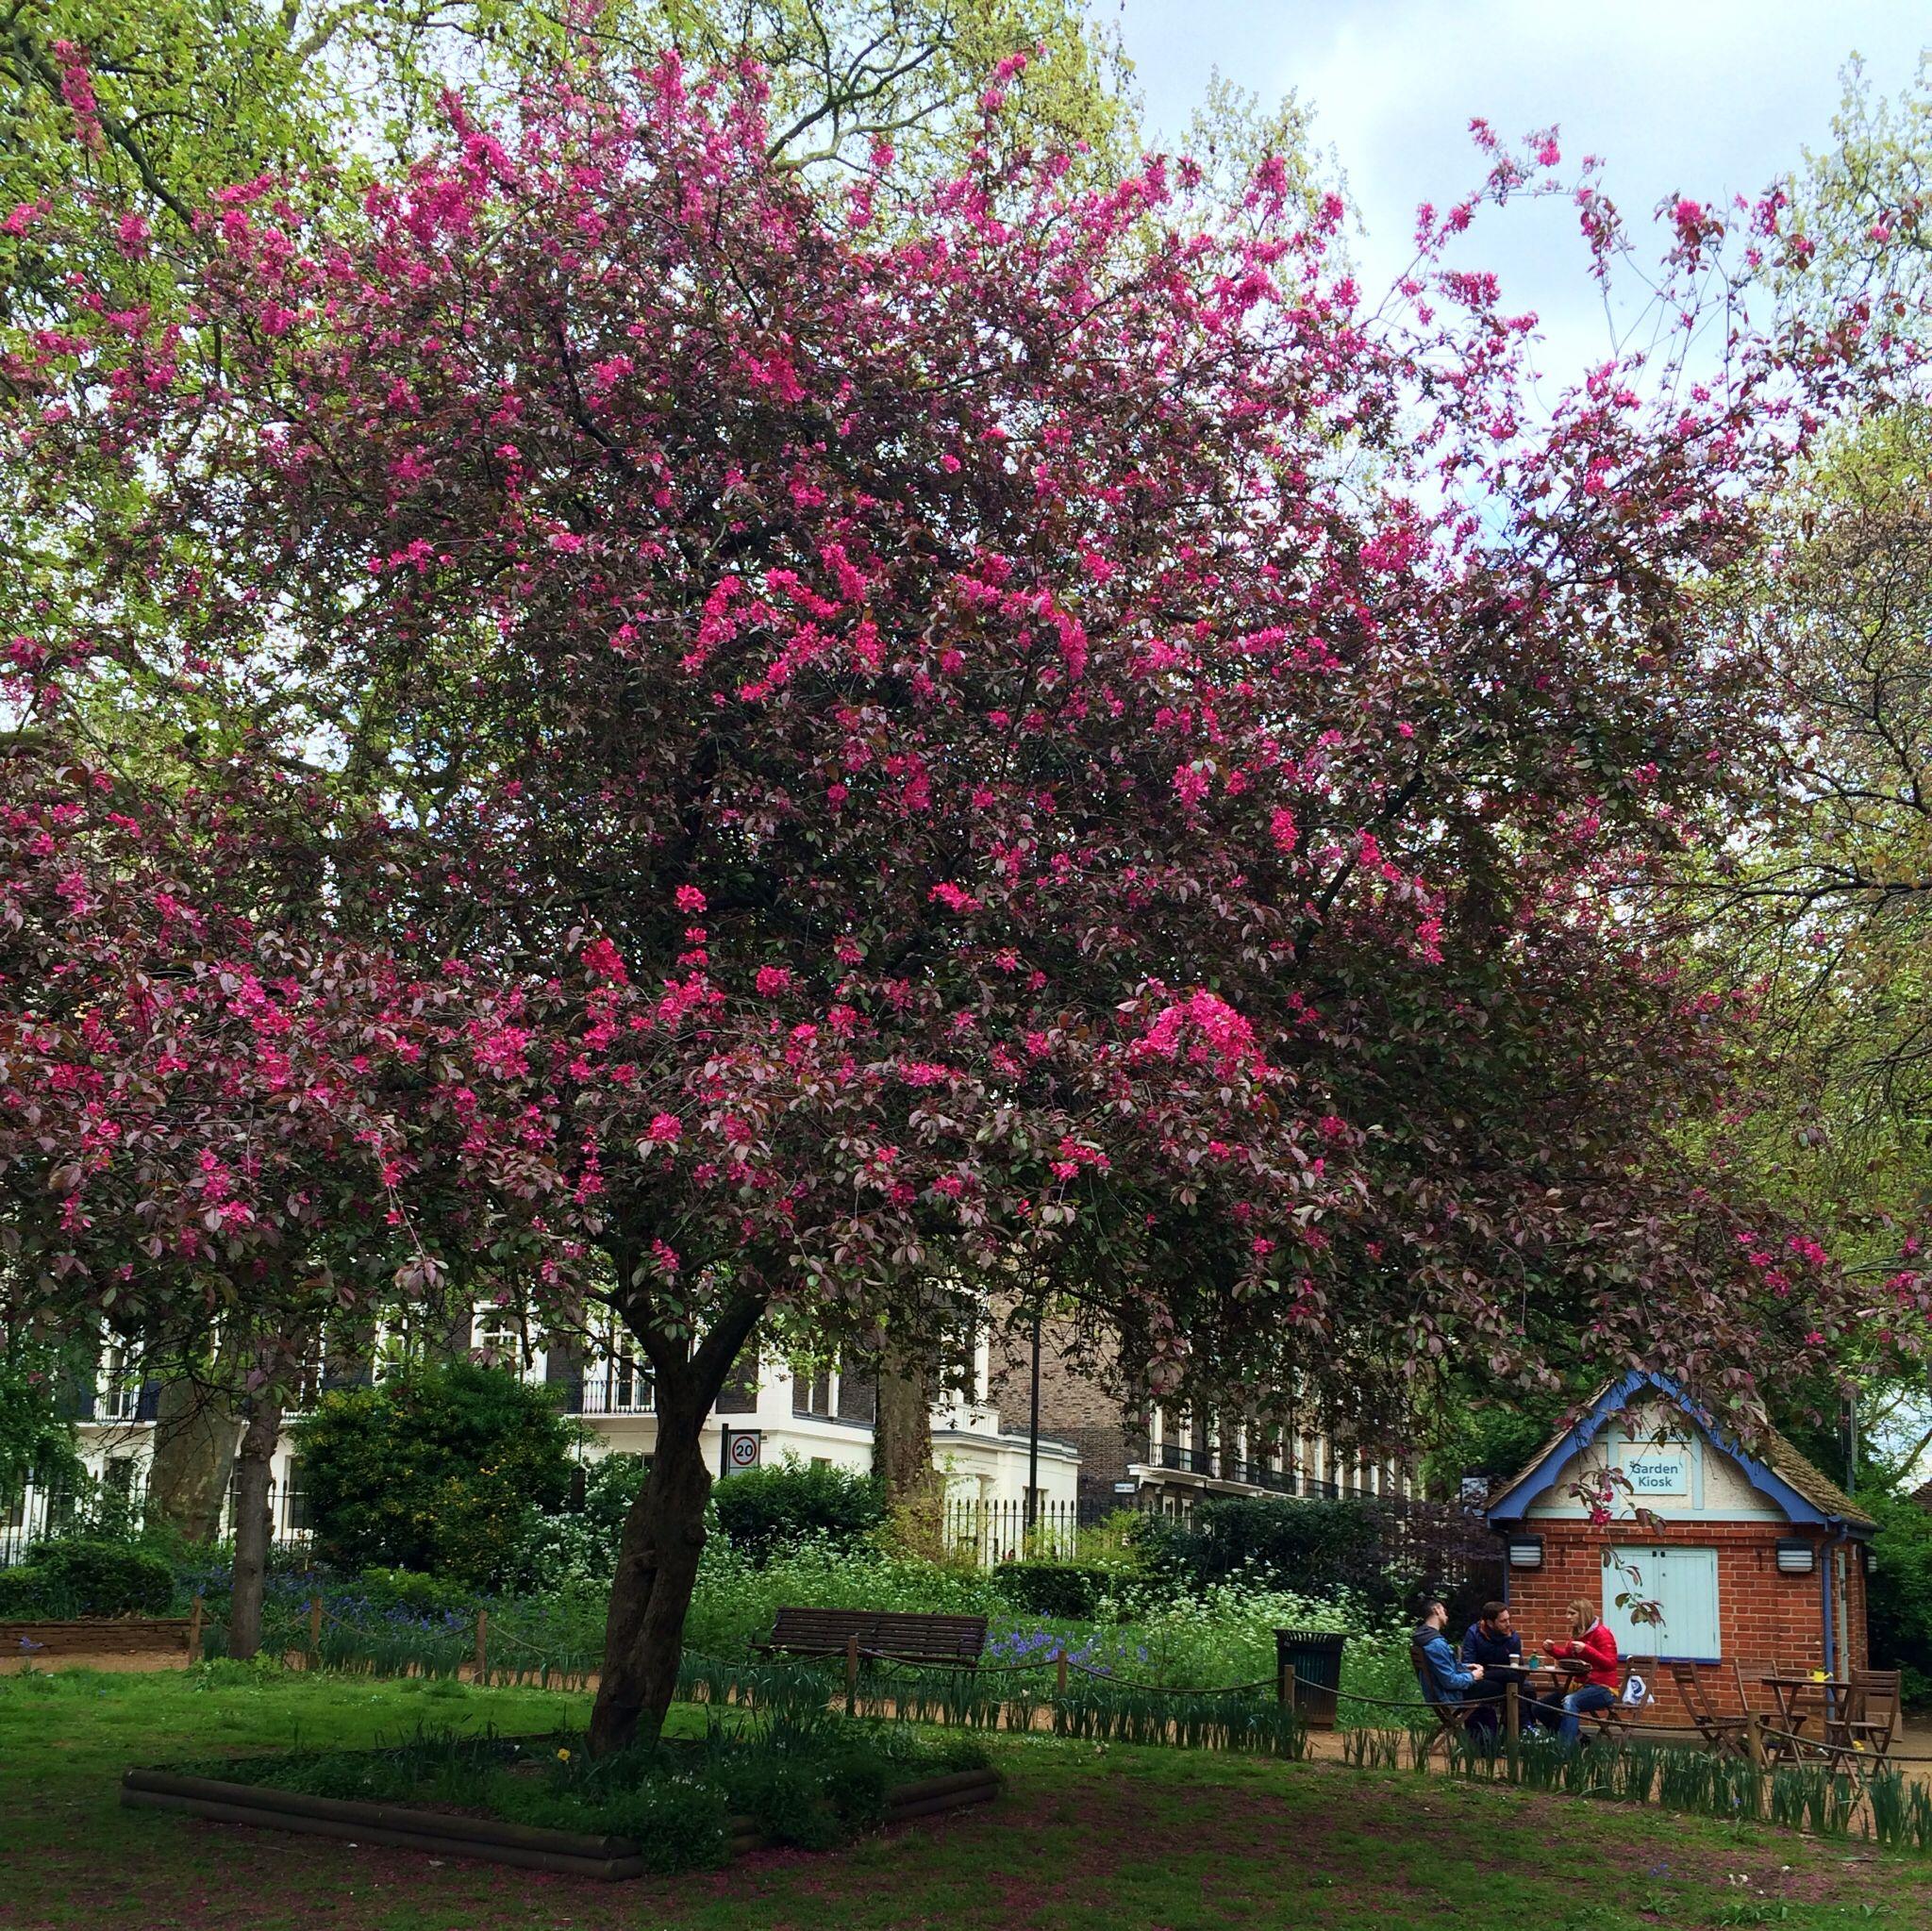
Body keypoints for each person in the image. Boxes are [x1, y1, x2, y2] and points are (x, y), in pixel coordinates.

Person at [1543, 1599, 1620, 1745]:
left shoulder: (1602, 1633)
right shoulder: (1578, 1633)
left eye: (1572, 1613)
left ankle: (1564, 1750)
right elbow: (1567, 1654)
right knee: (1540, 1707)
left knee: (1570, 1701)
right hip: (1581, 1685)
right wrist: (1551, 1650)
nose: (1568, 1617)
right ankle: (1578, 1738)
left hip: (1604, 1689)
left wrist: (1587, 1650)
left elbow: (1611, 1664)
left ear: (1583, 1614)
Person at [1459, 1601, 1522, 1735]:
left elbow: (1518, 1665)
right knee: (1515, 1684)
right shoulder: (1474, 1633)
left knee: (1523, 1687)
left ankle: (1518, 1733)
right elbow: (1468, 1663)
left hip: (1504, 1677)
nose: (1508, 1624)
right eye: (1503, 1621)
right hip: (1481, 1680)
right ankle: (1523, 1730)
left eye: (1508, 1619)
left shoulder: (1513, 1637)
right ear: (1490, 1623)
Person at [1412, 1597, 1483, 1706]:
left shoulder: (1424, 1638)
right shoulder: (1435, 1644)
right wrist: (1472, 1676)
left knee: (1495, 1678)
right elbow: (1449, 1681)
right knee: (1499, 1686)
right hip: (1449, 1696)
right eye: (1444, 1611)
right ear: (1437, 1610)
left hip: (1441, 1692)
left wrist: (1466, 1667)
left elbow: (1443, 1669)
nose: (1447, 1615)